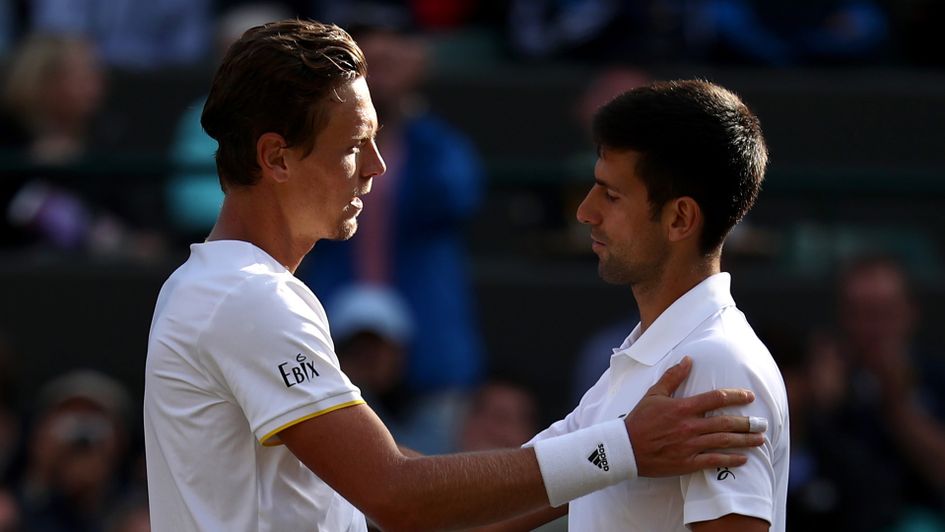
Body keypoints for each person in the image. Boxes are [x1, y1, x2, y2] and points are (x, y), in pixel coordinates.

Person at [144, 20, 765, 531]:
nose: (378, 166)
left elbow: (407, 500)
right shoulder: (246, 297)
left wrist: (606, 460)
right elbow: (396, 493)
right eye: (354, 146)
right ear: (276, 158)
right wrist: (621, 450)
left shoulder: (221, 289)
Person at [486, 80, 789, 531]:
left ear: (679, 218)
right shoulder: (641, 364)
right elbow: (479, 510)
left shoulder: (715, 364)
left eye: (611, 195)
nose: (585, 212)